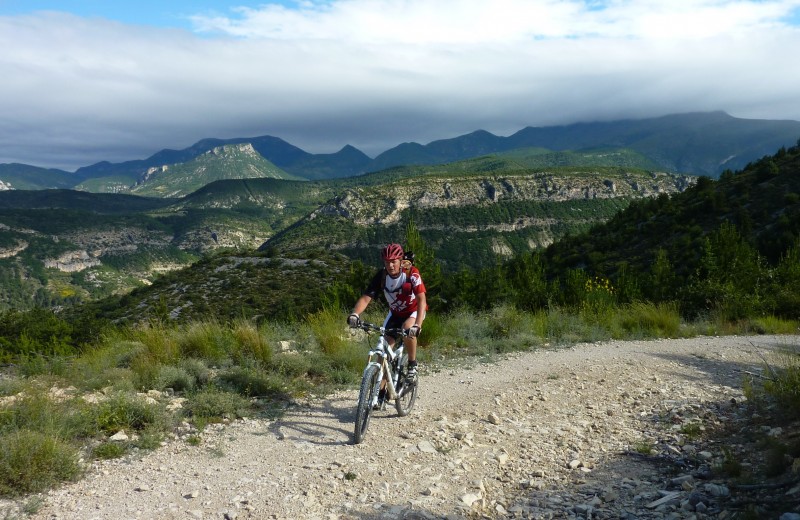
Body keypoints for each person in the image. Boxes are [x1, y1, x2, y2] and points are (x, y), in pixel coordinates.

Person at [347, 243, 427, 405]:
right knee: (383, 351)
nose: (390, 265)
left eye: (394, 261)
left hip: (413, 311)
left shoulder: (412, 273)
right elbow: (366, 298)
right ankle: (380, 392)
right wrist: (355, 314)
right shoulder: (382, 276)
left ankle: (412, 364)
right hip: (395, 314)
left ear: (400, 260)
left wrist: (417, 325)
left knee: (407, 330)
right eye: (387, 261)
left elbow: (421, 299)